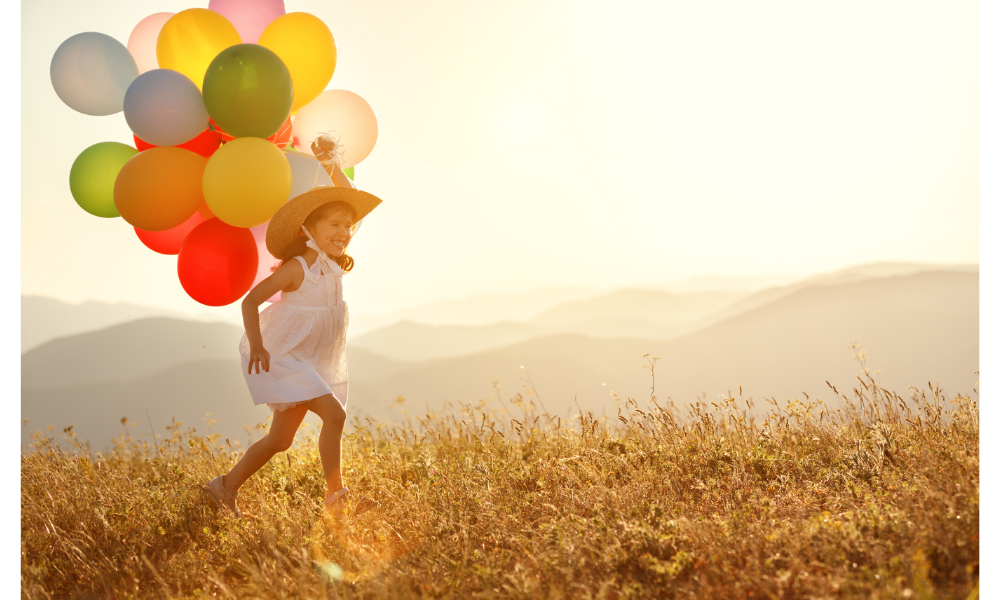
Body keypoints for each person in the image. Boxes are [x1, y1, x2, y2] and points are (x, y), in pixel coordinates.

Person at [203, 134, 382, 518]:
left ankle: (223, 487)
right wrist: (257, 346)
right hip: (285, 358)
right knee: (335, 415)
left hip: (312, 359)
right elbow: (250, 301)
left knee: (279, 440)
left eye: (348, 227)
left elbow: (351, 199)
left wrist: (332, 164)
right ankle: (336, 498)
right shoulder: (297, 268)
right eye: (335, 225)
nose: (344, 232)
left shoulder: (333, 260)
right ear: (308, 230)